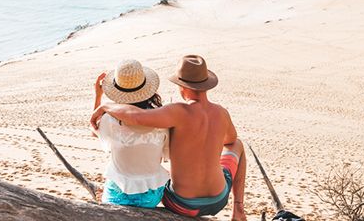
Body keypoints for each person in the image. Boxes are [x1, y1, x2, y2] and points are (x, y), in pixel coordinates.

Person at [91, 55, 247, 220]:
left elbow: (137, 117)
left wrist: (105, 105)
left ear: (182, 86)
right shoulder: (222, 113)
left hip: (181, 204)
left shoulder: (176, 112)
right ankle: (238, 209)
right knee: (238, 144)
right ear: (206, 84)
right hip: (219, 199)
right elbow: (230, 141)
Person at [92, 59, 169, 208]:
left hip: (118, 196)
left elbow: (95, 129)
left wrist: (98, 96)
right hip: (151, 196)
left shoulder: (109, 120)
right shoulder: (161, 120)